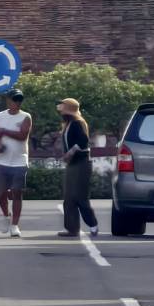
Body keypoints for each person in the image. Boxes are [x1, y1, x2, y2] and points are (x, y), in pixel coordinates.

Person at [0, 89, 31, 238]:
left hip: (19, 160)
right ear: (8, 100)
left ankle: (15, 225)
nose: (17, 102)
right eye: (14, 99)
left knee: (17, 192)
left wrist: (4, 131)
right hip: (1, 161)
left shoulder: (25, 117)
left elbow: (22, 135)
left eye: (19, 100)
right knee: (0, 194)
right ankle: (6, 215)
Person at [56, 98, 98, 238]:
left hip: (81, 163)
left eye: (62, 105)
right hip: (72, 163)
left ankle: (93, 224)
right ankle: (72, 229)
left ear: (68, 108)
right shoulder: (68, 124)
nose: (59, 107)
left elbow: (83, 141)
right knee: (69, 198)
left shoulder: (78, 123)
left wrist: (71, 152)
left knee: (80, 197)